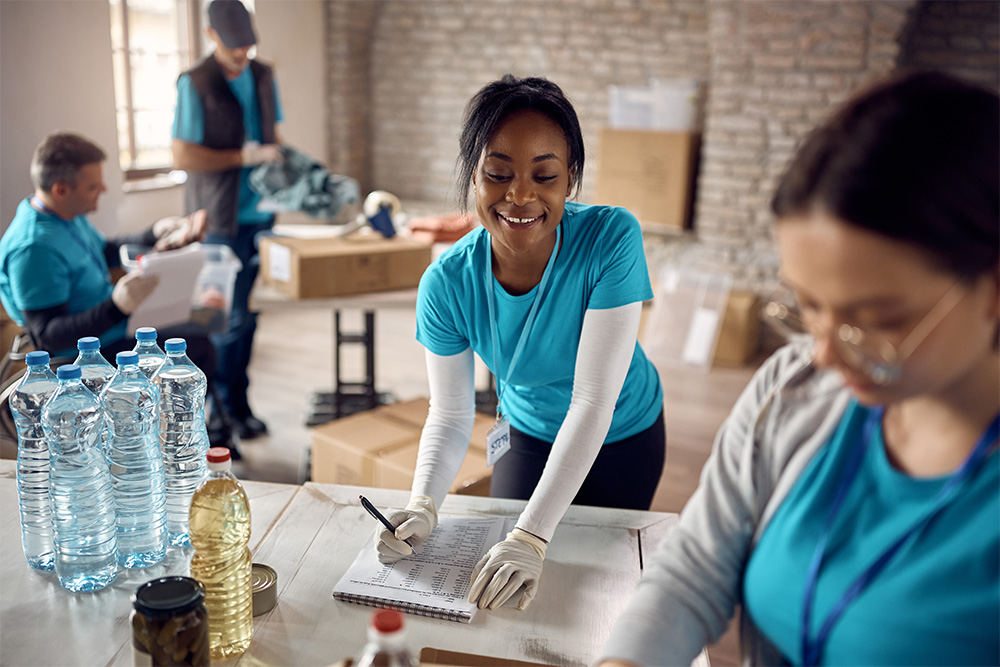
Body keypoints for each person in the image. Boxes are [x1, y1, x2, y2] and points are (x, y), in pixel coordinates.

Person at [597, 71, 999, 667]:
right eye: (808, 306)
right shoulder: (794, 390)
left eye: (876, 319)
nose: (826, 356)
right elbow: (692, 573)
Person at [373, 75, 666, 612]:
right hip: (528, 429)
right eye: (499, 174)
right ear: (473, 177)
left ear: (570, 178)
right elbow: (452, 412)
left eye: (545, 175)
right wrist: (422, 504)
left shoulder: (610, 239)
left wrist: (532, 537)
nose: (521, 196)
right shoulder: (448, 282)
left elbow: (593, 399)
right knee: (505, 592)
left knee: (599, 590)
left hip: (623, 431)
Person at [0, 131, 216, 375]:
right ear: (61, 190)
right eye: (93, 186)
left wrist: (154, 233)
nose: (103, 189)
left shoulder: (65, 215)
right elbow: (48, 337)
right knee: (195, 349)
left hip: (112, 325)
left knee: (204, 322)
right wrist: (117, 306)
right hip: (83, 355)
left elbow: (104, 251)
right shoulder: (33, 250)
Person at [171, 0, 284, 441]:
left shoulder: (262, 75)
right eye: (235, 46)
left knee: (250, 316)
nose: (243, 55)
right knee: (219, 321)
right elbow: (182, 154)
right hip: (217, 221)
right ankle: (214, 418)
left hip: (261, 216)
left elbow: (275, 136)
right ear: (211, 35)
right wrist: (242, 156)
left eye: (248, 46)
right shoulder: (195, 83)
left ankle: (239, 405)